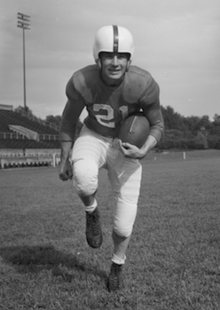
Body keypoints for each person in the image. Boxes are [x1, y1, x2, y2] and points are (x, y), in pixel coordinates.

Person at [59, 25, 164, 292]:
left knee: (124, 224)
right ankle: (91, 211)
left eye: (121, 57)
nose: (115, 62)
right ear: (98, 57)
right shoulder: (82, 80)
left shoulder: (143, 82)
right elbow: (69, 120)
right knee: (83, 178)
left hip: (124, 145)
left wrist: (144, 150)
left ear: (130, 60)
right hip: (93, 135)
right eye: (108, 56)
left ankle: (117, 264)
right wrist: (64, 159)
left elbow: (157, 125)